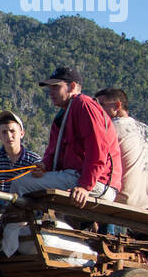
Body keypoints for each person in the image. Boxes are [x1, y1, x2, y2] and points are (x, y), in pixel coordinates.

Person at [10, 67, 122, 208]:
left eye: (56, 87)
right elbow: (54, 153)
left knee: (20, 184)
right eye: (50, 88)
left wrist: (85, 186)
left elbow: (97, 150)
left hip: (97, 182)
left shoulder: (84, 105)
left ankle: (8, 228)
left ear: (72, 86)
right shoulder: (63, 115)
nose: (51, 92)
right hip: (78, 178)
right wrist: (45, 166)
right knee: (27, 183)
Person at [94, 88, 148, 209]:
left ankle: (98, 227)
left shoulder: (110, 129)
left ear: (117, 105)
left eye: (101, 105)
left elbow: (98, 164)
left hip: (124, 201)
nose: (97, 110)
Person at [0, 110, 41, 190]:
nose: (8, 135)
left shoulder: (34, 160)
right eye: (4, 132)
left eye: (12, 131)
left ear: (22, 134)